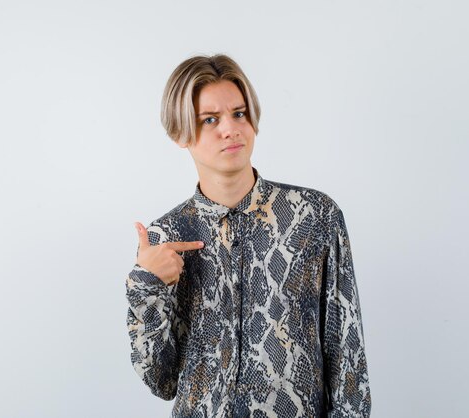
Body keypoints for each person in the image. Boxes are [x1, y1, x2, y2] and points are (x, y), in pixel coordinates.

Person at [125, 54, 371, 418]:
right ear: (180, 134)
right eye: (210, 120)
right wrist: (145, 286)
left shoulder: (314, 216)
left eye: (239, 114)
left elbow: (347, 358)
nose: (231, 129)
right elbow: (161, 382)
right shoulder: (167, 237)